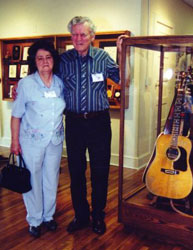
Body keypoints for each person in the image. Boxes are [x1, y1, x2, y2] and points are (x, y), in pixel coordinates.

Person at [59, 16, 120, 235]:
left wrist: (124, 52)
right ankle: (81, 215)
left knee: (100, 171)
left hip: (99, 123)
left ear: (92, 36)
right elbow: (46, 80)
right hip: (74, 123)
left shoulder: (104, 57)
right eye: (74, 34)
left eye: (83, 34)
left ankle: (98, 217)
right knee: (76, 172)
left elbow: (123, 78)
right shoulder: (63, 60)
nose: (78, 38)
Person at [10, 40, 66, 238]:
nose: (45, 61)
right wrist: (14, 142)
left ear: (53, 60)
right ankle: (34, 219)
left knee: (51, 179)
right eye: (40, 58)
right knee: (33, 180)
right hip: (31, 141)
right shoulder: (26, 84)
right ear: (34, 61)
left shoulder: (60, 83)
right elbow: (16, 115)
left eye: (48, 57)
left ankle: (48, 216)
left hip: (55, 141)